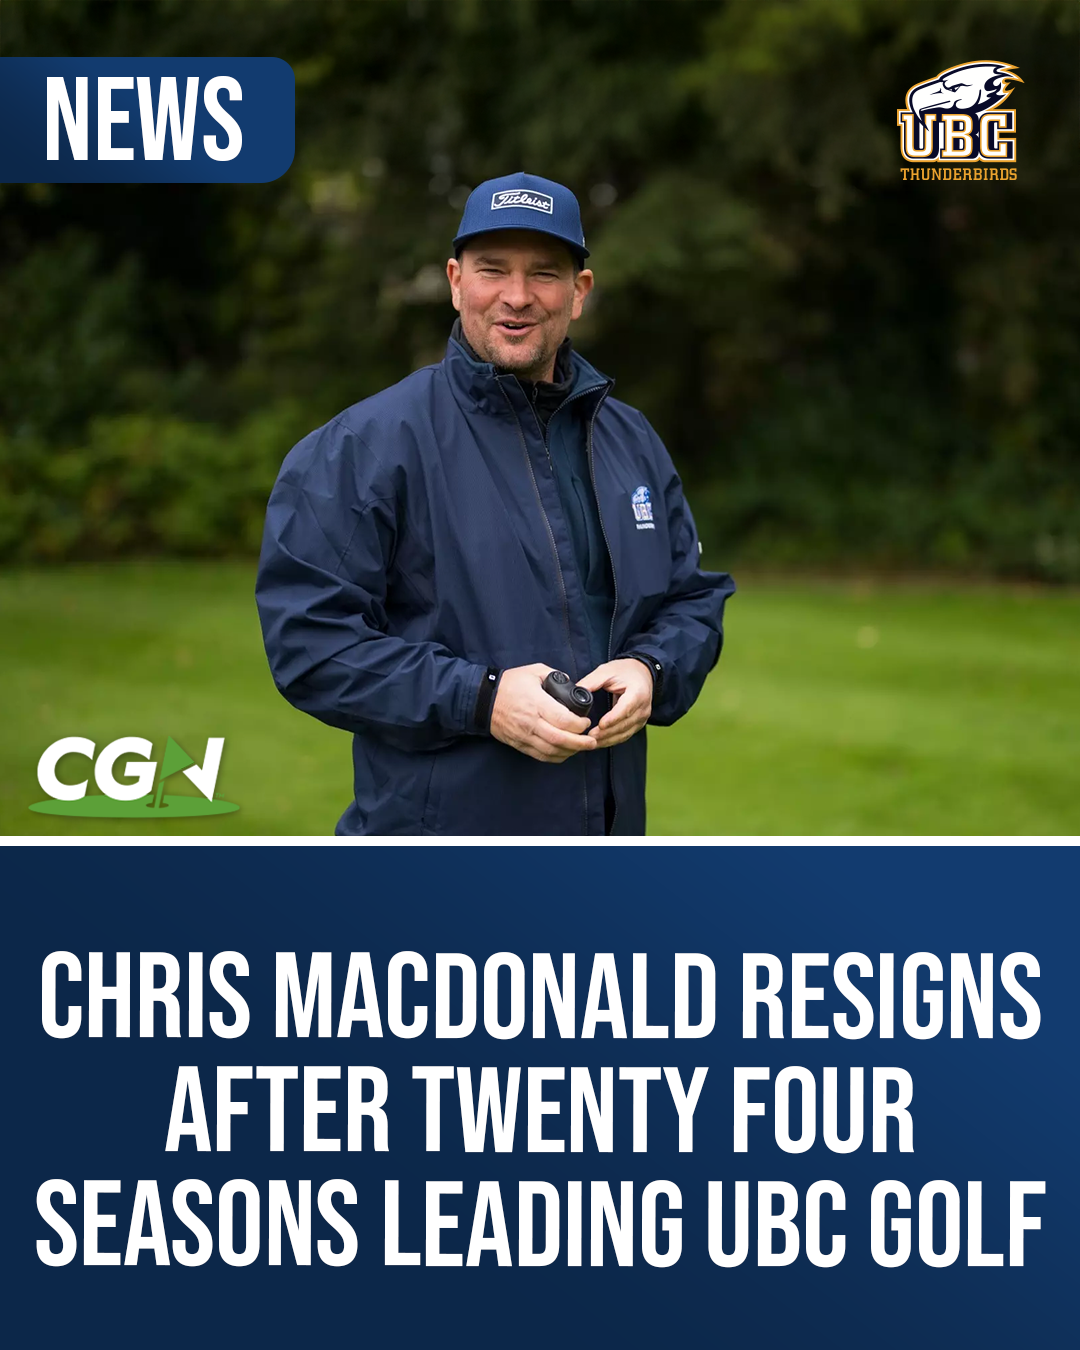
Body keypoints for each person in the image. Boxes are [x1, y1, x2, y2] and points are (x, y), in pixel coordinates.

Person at [256, 171, 735, 835]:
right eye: (492, 270)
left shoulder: (630, 442)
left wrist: (652, 669)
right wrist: (480, 700)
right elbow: (309, 644)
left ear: (579, 293)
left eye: (544, 273)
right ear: (456, 282)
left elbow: (691, 599)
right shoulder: (362, 448)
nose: (516, 297)